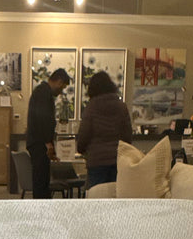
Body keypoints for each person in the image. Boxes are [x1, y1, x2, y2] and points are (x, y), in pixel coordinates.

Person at [76, 70, 132, 189]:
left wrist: (81, 149)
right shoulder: (121, 107)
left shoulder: (91, 107)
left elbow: (84, 133)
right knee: (115, 194)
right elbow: (127, 135)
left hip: (97, 160)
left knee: (97, 195)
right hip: (117, 159)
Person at [26, 67, 71, 199]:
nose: (61, 91)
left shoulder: (41, 91)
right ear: (59, 81)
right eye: (62, 87)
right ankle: (41, 208)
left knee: (41, 181)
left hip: (37, 142)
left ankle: (42, 206)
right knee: (41, 183)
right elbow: (43, 119)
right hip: (40, 144)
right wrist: (48, 143)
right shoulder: (43, 93)